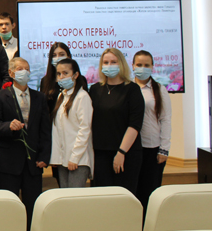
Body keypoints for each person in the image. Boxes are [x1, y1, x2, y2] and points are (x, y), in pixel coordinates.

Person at [0, 57, 52, 231]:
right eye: (20, 69)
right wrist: (8, 126)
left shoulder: (39, 97)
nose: (24, 72)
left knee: (33, 205)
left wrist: (44, 156)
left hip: (33, 163)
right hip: (8, 162)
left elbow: (45, 130)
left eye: (27, 69)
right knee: (9, 206)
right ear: (11, 73)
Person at [89, 48, 145, 194]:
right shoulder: (95, 90)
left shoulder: (132, 89)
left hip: (126, 154)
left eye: (113, 62)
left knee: (124, 197)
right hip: (100, 154)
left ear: (121, 64)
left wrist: (121, 152)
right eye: (106, 62)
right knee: (102, 197)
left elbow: (135, 124)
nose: (109, 65)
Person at [132, 50, 172, 214]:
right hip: (131, 148)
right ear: (132, 66)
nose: (142, 68)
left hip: (152, 148)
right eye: (139, 65)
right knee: (133, 190)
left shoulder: (159, 89)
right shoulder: (128, 88)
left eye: (146, 65)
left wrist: (164, 149)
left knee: (150, 190)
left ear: (152, 67)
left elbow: (166, 119)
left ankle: (149, 224)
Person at [49, 58, 93, 188]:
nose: (61, 77)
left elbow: (84, 129)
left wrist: (75, 157)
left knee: (75, 197)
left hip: (78, 160)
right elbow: (57, 129)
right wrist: (56, 157)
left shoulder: (82, 97)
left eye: (65, 73)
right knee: (65, 196)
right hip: (63, 159)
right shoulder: (61, 96)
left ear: (76, 75)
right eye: (59, 74)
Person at [39, 42, 72, 113]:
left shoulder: (77, 79)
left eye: (62, 55)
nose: (58, 58)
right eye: (54, 55)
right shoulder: (45, 81)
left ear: (68, 57)